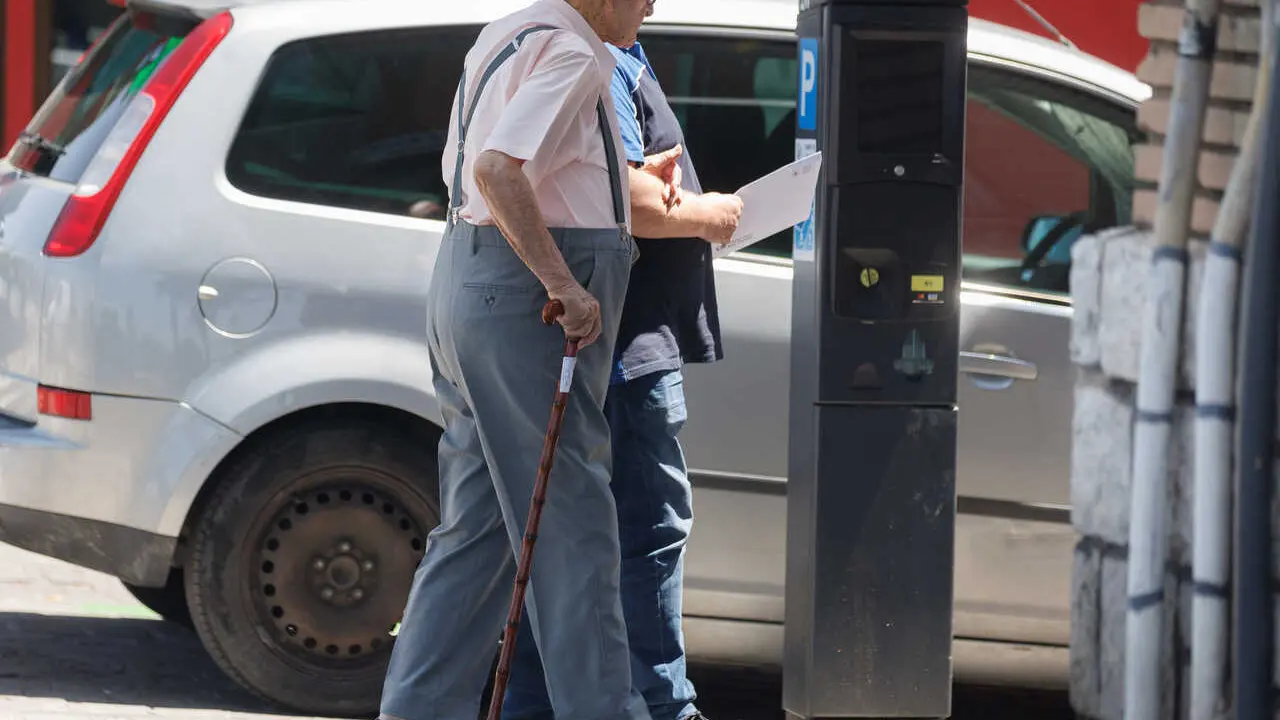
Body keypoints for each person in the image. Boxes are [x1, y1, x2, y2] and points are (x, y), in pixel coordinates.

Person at [376, 1, 679, 719]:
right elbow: (497, 170)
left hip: (469, 282)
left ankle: (416, 710)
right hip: (522, 307)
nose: (653, 4)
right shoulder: (574, 53)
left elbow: (498, 167)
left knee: (477, 533)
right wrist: (564, 285)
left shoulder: (508, 33)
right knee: (575, 534)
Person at [501, 11, 745, 720]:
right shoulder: (592, 60)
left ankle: (541, 706)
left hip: (612, 342)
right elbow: (627, 201)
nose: (653, 4)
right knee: (644, 538)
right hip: (624, 350)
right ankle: (662, 707)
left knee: (563, 545)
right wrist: (712, 215)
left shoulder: (591, 52)